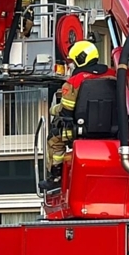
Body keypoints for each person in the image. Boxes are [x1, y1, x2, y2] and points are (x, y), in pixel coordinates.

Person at [42, 40, 114, 189]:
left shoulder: (74, 81)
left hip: (80, 130)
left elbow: (66, 111)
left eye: (74, 62)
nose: (72, 65)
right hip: (113, 130)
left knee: (54, 140)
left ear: (81, 59)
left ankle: (56, 177)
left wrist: (52, 109)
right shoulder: (113, 75)